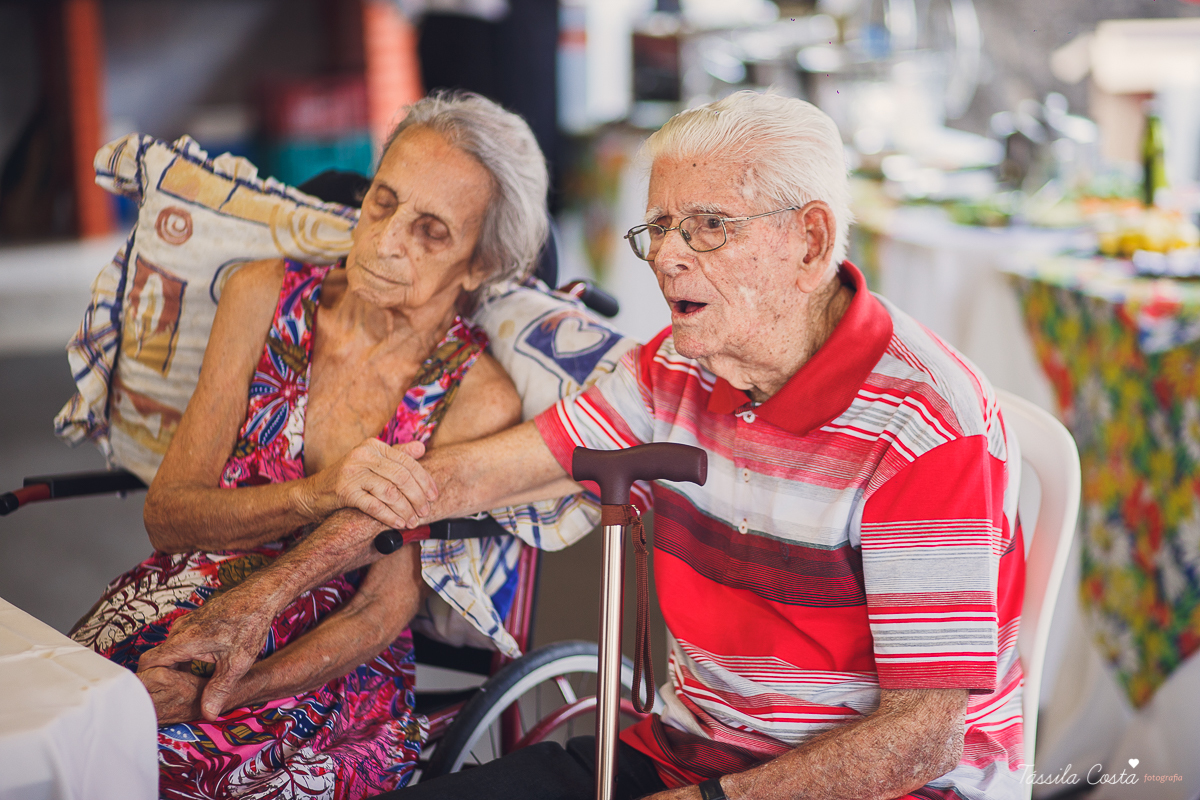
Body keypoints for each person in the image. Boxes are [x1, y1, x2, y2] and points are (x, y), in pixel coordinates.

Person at [141, 91, 1027, 800]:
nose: (667, 259)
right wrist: (257, 602)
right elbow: (443, 484)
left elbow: (922, 735)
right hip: (684, 754)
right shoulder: (672, 374)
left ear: (811, 240)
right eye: (658, 229)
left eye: (707, 226)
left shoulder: (924, 428)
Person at [70, 92, 551, 799]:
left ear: (478, 266)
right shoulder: (262, 295)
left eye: (430, 232)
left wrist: (229, 694)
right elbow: (168, 515)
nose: (386, 241)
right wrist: (319, 494)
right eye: (383, 202)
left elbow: (383, 610)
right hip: (170, 602)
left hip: (324, 673)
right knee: (57, 728)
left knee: (157, 767)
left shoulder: (475, 395)